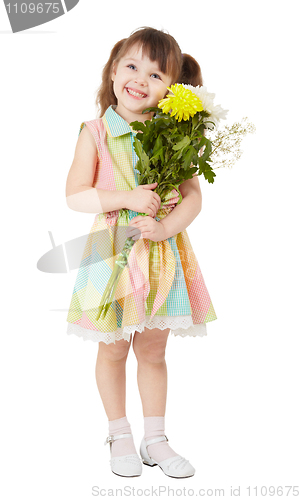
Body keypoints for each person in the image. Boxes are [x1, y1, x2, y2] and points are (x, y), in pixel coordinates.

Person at [65, 27, 217, 479]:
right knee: (112, 349)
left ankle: (156, 438)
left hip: (162, 253)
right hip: (110, 251)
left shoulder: (175, 133)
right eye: (132, 66)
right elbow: (75, 195)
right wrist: (126, 200)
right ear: (114, 71)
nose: (140, 79)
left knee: (153, 349)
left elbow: (193, 196)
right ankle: (119, 434)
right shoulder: (95, 131)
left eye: (156, 75)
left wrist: (166, 226)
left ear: (171, 90)